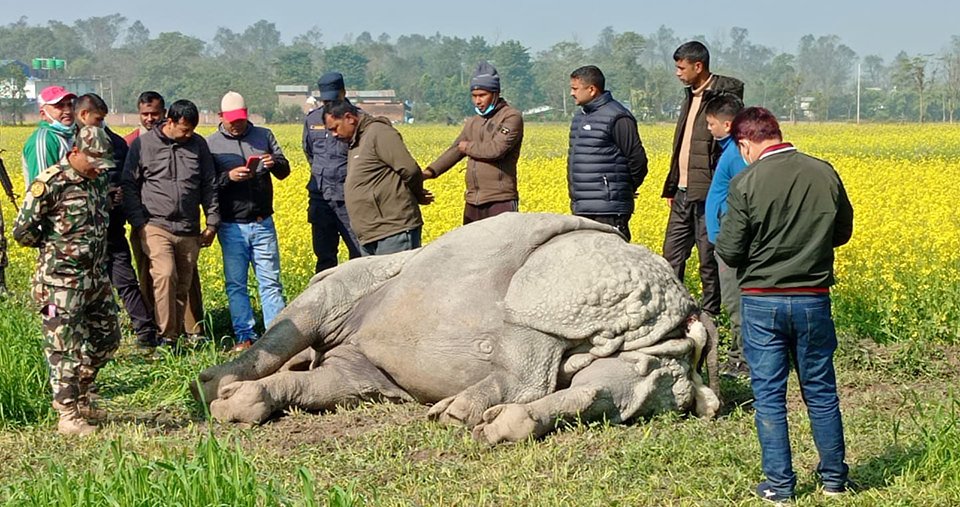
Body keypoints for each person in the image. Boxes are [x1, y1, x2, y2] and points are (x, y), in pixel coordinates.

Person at [715, 107, 854, 503]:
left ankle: (780, 486)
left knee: (770, 395)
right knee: (821, 392)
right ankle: (833, 481)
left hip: (762, 302)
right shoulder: (823, 171)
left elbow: (729, 250)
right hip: (813, 299)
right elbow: (842, 231)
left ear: (745, 143)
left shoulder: (745, 182)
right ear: (777, 133)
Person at [13, 126, 122, 436]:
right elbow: (23, 232)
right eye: (94, 161)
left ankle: (83, 394)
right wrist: (57, 250)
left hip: (94, 278)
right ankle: (68, 415)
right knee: (64, 349)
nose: (100, 169)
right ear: (75, 153)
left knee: (107, 339)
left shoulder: (97, 179)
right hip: (59, 284)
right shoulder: (51, 183)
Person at [122, 99, 220, 347]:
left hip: (188, 228)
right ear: (171, 121)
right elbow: (129, 184)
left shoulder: (198, 145)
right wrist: (139, 222)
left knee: (182, 285)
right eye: (184, 129)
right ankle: (165, 335)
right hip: (155, 224)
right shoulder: (144, 145)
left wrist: (212, 223)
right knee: (165, 275)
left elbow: (209, 185)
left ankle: (176, 337)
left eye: (192, 130)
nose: (188, 135)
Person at [661, 41, 743, 323]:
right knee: (671, 256)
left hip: (706, 191)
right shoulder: (689, 97)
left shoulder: (721, 96)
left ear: (699, 66)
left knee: (708, 258)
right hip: (682, 190)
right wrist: (672, 185)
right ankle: (672, 310)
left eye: (681, 67)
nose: (677, 73)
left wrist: (712, 91)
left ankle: (711, 313)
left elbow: (735, 92)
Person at [74, 93, 160, 351]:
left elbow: (126, 178)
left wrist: (118, 196)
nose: (100, 123)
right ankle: (84, 343)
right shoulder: (66, 143)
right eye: (97, 118)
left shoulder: (117, 143)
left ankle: (145, 333)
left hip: (111, 227)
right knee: (80, 291)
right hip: (78, 236)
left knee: (124, 279)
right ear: (83, 115)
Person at [207, 91, 290, 352]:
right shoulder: (211, 144)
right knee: (236, 284)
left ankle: (277, 336)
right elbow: (208, 185)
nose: (237, 124)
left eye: (241, 119)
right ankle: (245, 336)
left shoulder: (263, 135)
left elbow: (284, 171)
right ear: (221, 117)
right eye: (232, 120)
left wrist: (273, 161)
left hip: (262, 221)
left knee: (271, 282)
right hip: (232, 225)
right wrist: (228, 177)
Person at [323, 100, 434, 255]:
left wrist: (417, 194)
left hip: (392, 230)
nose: (334, 134)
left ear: (349, 118)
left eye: (335, 128)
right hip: (370, 233)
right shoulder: (356, 141)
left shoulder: (378, 133)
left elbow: (409, 169)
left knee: (396, 279)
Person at [422, 61, 524, 224]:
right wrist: (429, 172)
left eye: (482, 95)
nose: (477, 101)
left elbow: (496, 149)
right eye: (474, 96)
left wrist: (467, 147)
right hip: (473, 201)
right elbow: (455, 150)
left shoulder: (511, 117)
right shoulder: (473, 122)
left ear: (495, 93)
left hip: (500, 199)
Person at [566, 65, 648, 241]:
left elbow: (637, 159)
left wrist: (624, 187)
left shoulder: (617, 117)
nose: (572, 93)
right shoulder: (580, 117)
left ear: (592, 89)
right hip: (582, 206)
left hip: (609, 209)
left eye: (575, 88)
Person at [702, 94, 749, 378]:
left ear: (728, 124)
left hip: (729, 240)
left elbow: (745, 196)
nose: (708, 128)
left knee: (736, 302)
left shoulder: (736, 154)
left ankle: (742, 360)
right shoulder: (730, 149)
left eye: (711, 123)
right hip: (723, 237)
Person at [302, 72, 361, 273]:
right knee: (324, 258)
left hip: (350, 199)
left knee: (359, 255)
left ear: (344, 93)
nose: (329, 104)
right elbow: (309, 153)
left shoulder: (357, 119)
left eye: (333, 99)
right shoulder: (312, 120)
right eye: (325, 100)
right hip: (321, 199)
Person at [22, 85, 77, 189]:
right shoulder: (44, 140)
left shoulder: (70, 136)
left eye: (69, 105)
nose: (68, 111)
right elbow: (43, 189)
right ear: (43, 114)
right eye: (59, 106)